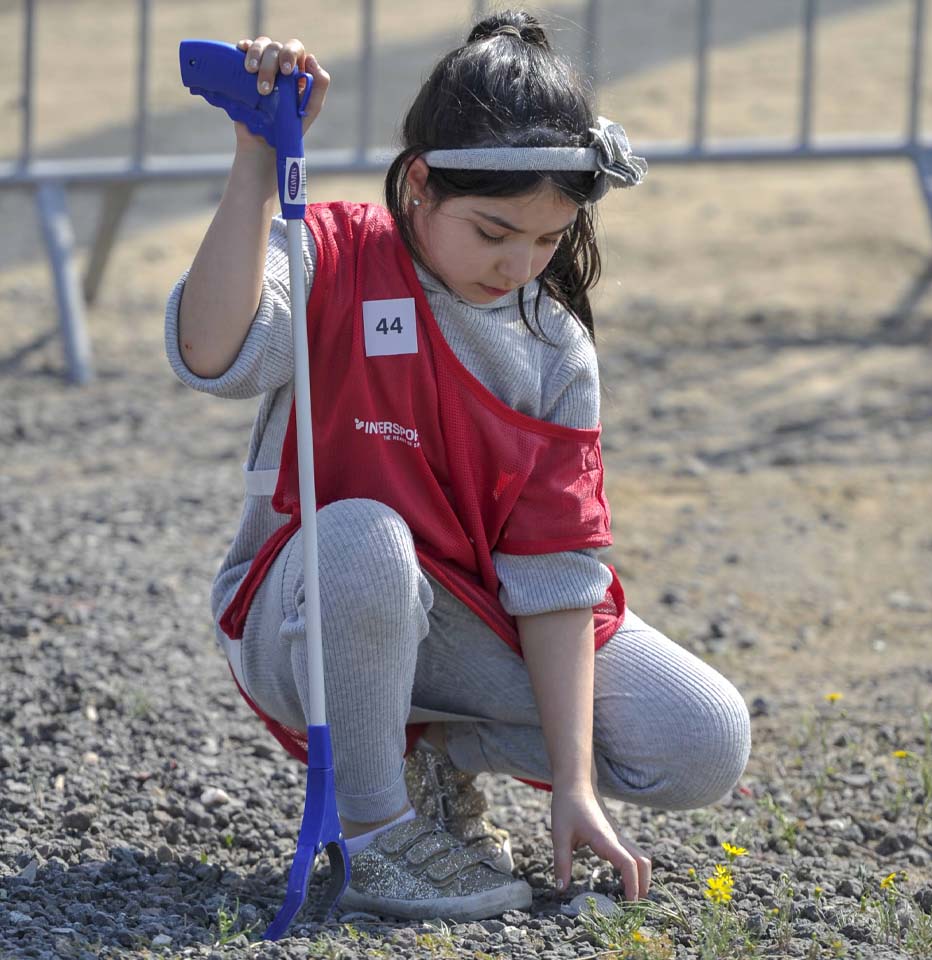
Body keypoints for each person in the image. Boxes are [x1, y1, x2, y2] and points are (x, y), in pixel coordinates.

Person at [166, 9, 751, 922]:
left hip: (467, 623)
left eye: (549, 239)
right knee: (367, 534)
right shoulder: (331, 250)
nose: (519, 264)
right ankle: (376, 832)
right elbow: (212, 355)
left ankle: (430, 753)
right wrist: (254, 154)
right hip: (309, 609)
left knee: (702, 737)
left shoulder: (554, 347)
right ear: (421, 184)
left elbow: (556, 574)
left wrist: (572, 783)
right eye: (492, 231)